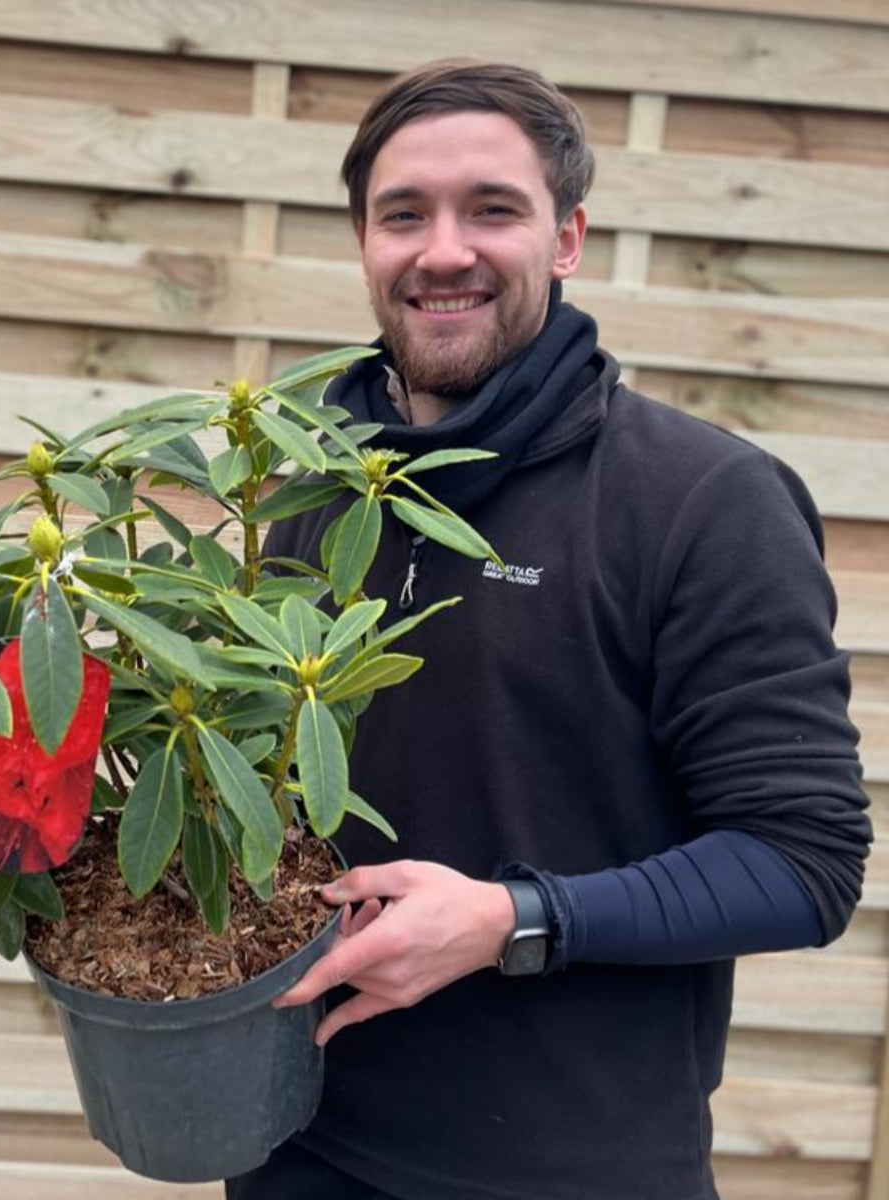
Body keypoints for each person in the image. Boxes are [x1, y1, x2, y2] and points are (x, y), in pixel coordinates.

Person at [224, 60, 872, 1200]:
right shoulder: (298, 485)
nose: (443, 250)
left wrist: (511, 919)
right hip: (296, 1149)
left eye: (493, 209)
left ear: (566, 239)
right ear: (364, 243)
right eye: (403, 214)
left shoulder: (701, 498)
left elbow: (804, 861)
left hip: (576, 1168)